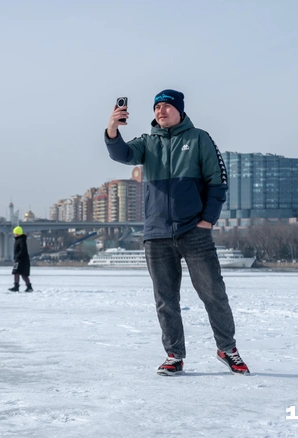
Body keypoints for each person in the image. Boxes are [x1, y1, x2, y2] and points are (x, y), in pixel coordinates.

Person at [104, 89, 249, 376]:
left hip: (193, 231)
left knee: (213, 293)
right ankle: (174, 355)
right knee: (166, 299)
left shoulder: (199, 139)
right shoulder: (147, 143)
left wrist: (207, 220)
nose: (161, 111)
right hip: (156, 234)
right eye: (157, 107)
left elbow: (218, 182)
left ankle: (227, 349)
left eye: (167, 106)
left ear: (180, 110)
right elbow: (122, 154)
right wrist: (112, 128)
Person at [9, 226, 33, 292]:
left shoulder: (21, 240)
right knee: (19, 273)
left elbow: (23, 250)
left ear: (17, 233)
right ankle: (27, 286)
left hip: (21, 260)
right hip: (19, 259)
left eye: (14, 233)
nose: (14, 234)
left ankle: (18, 286)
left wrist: (18, 256)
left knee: (19, 273)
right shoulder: (19, 240)